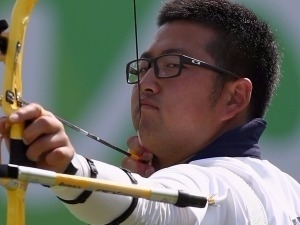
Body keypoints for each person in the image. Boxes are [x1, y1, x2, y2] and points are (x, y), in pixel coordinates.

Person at [0, 0, 299, 224]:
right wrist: (153, 181)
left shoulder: (224, 185)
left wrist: (67, 168)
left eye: (173, 65)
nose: (147, 84)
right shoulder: (290, 192)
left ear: (234, 98)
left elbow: (154, 207)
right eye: (143, 67)